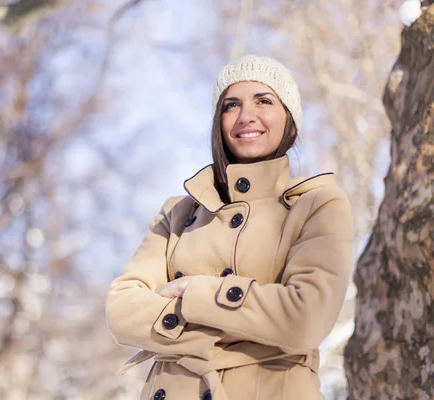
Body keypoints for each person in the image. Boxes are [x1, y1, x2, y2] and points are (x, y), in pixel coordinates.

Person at [105, 54, 354, 400]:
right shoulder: (177, 213)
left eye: (264, 101)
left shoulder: (319, 204)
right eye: (231, 104)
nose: (246, 116)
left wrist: (194, 294)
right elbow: (122, 309)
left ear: (291, 123)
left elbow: (305, 317)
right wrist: (236, 327)